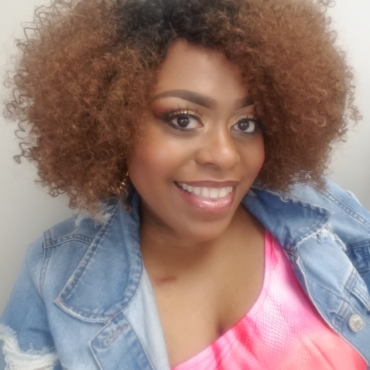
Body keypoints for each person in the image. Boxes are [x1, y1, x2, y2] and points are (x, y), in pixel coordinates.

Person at [1, 0, 369, 369]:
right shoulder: (54, 276)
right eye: (182, 120)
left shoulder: (321, 212)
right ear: (113, 122)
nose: (225, 156)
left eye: (246, 123)